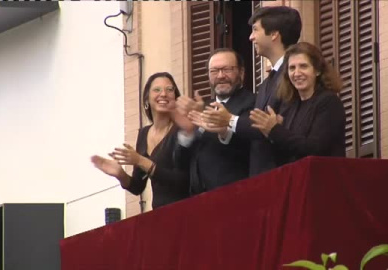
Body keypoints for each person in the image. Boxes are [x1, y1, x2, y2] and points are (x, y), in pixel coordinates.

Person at [196, 6, 302, 176]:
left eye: (255, 30)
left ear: (274, 34)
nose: (251, 37)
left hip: (283, 174)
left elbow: (275, 127)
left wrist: (229, 120)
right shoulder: (269, 81)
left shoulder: (293, 76)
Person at [91, 72, 189, 210]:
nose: (163, 94)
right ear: (147, 99)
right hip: (160, 214)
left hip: (187, 210)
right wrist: (120, 175)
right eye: (157, 90)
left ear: (175, 97)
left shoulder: (182, 130)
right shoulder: (144, 134)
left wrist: (140, 161)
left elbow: (184, 181)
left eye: (169, 89)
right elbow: (137, 187)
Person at [173, 48, 255, 195]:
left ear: (241, 73)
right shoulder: (200, 108)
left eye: (227, 69)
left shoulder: (253, 102)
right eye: (214, 71)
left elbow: (251, 148)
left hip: (237, 195)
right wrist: (188, 133)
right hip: (199, 201)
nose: (221, 76)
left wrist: (224, 130)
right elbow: (180, 164)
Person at [250, 42, 346, 165]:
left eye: (303, 66)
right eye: (292, 68)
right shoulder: (290, 106)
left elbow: (315, 148)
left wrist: (275, 130)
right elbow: (284, 155)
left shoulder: (329, 102)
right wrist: (270, 135)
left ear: (317, 71)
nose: (297, 73)